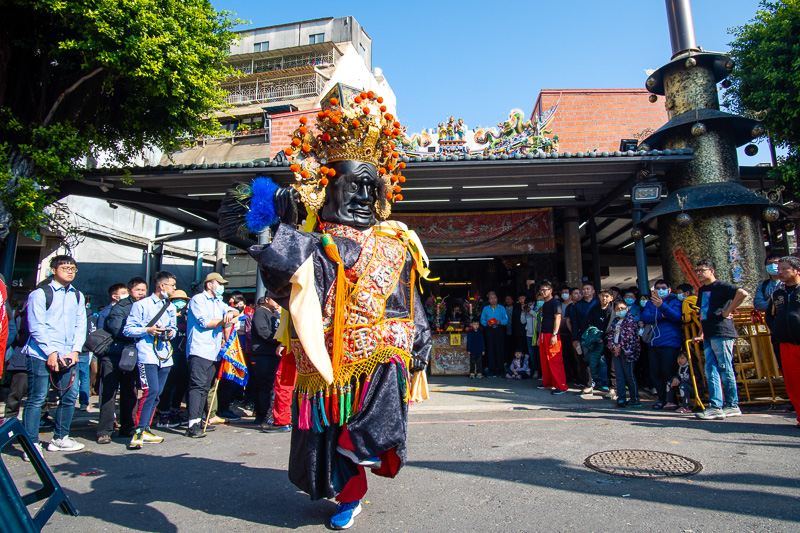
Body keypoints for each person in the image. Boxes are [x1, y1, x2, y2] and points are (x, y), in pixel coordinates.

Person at [238, 89, 434, 530]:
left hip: (380, 351)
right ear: (326, 190)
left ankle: (366, 443)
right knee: (326, 433)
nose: (364, 194)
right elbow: (277, 276)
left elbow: (409, 297)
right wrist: (285, 223)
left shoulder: (394, 242)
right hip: (325, 357)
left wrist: (421, 334)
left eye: (372, 186)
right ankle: (349, 495)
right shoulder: (310, 240)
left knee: (381, 384)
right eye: (354, 185)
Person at [22, 255, 87, 458]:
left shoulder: (77, 295)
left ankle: (60, 437)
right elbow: (36, 325)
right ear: (53, 270)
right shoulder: (40, 294)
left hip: (68, 354)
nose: (70, 271)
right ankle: (31, 442)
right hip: (41, 354)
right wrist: (50, 352)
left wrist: (75, 350)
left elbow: (81, 324)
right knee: (37, 398)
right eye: (65, 267)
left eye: (73, 268)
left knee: (68, 397)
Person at [123, 270, 178, 449]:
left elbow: (174, 328)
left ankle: (146, 427)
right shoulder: (142, 305)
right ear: (162, 286)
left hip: (164, 355)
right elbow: (128, 329)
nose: (174, 289)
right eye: (172, 285)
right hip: (147, 354)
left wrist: (170, 332)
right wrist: (148, 330)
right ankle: (138, 430)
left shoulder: (170, 306)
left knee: (158, 392)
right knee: (149, 391)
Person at [692, 259, 748, 420]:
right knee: (711, 369)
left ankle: (731, 404)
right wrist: (701, 333)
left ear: (712, 270)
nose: (699, 273)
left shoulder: (721, 286)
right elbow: (703, 312)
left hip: (722, 331)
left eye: (702, 270)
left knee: (724, 367)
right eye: (697, 270)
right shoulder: (702, 290)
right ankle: (716, 405)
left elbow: (742, 293)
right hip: (709, 332)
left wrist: (728, 310)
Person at [185, 272, 239, 438]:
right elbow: (205, 322)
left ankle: (202, 419)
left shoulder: (218, 302)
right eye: (219, 283)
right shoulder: (198, 300)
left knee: (206, 387)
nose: (222, 287)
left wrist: (232, 312)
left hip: (214, 352)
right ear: (209, 284)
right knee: (198, 386)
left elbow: (235, 312)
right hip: (200, 349)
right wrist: (226, 321)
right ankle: (192, 423)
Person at [97, 277, 147, 444]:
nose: (141, 293)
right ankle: (104, 430)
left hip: (131, 355)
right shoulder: (121, 307)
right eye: (138, 290)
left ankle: (127, 427)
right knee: (109, 394)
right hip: (113, 355)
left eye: (143, 290)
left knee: (130, 392)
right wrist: (140, 331)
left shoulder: (144, 306)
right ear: (131, 290)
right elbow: (118, 330)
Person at [766, 255, 800, 427]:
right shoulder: (777, 294)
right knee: (792, 382)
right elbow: (769, 315)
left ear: (797, 270)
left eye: (784, 268)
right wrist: (776, 329)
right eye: (779, 269)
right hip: (784, 342)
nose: (780, 272)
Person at [641, 280, 684, 409]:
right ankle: (661, 399)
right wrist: (662, 314)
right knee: (655, 373)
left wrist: (662, 306)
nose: (660, 290)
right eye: (658, 288)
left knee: (668, 372)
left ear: (669, 289)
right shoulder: (650, 303)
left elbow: (676, 316)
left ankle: (673, 399)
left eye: (663, 288)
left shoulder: (675, 302)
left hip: (670, 343)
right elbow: (645, 317)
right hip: (654, 343)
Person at [155, 289, 192, 428]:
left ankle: (175, 410)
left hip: (184, 355)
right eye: (177, 300)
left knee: (181, 384)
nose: (180, 302)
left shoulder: (188, 316)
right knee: (168, 385)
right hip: (169, 353)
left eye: (183, 300)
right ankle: (163, 412)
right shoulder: (166, 315)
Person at [248, 295, 282, 427]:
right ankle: (262, 415)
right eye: (275, 299)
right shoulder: (260, 312)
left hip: (274, 354)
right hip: (262, 354)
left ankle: (268, 413)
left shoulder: (276, 314)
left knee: (271, 386)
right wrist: (279, 340)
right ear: (267, 300)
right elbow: (263, 332)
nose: (278, 302)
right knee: (264, 386)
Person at [566, 282, 600, 395]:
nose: (586, 291)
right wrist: (575, 338)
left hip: (598, 336)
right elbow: (574, 323)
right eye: (584, 289)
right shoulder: (577, 305)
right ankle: (588, 383)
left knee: (601, 360)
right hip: (584, 336)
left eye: (588, 289)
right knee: (586, 360)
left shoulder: (598, 303)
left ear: (593, 291)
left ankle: (603, 383)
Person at [607, 300, 641, 408]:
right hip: (616, 352)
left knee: (629, 375)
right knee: (619, 376)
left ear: (627, 309)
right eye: (618, 309)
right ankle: (621, 398)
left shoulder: (630, 321)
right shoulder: (615, 321)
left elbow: (629, 336)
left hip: (627, 352)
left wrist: (620, 347)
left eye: (622, 308)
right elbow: (611, 335)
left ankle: (634, 398)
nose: (620, 310)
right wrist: (613, 347)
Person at [756, 253, 784, 370]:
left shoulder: (788, 284)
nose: (772, 266)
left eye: (776, 263)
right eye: (769, 264)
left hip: (793, 327)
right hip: (776, 328)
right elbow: (758, 304)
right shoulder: (763, 286)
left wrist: (770, 301)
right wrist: (776, 303)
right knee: (781, 362)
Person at [538, 281, 567, 394]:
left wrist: (555, 334)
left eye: (544, 289)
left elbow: (558, 318)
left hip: (552, 334)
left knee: (555, 360)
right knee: (545, 360)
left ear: (550, 290)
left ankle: (561, 386)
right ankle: (548, 382)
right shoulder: (544, 304)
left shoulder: (555, 302)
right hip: (544, 334)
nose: (542, 292)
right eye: (541, 290)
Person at [481, 291, 508, 377]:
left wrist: (500, 322)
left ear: (497, 299)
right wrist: (486, 324)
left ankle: (500, 370)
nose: (493, 300)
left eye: (495, 298)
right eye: (491, 298)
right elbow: (482, 320)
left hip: (499, 330)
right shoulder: (486, 308)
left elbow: (506, 320)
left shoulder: (502, 308)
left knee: (499, 349)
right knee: (490, 349)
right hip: (489, 330)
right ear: (488, 300)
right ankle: (491, 370)